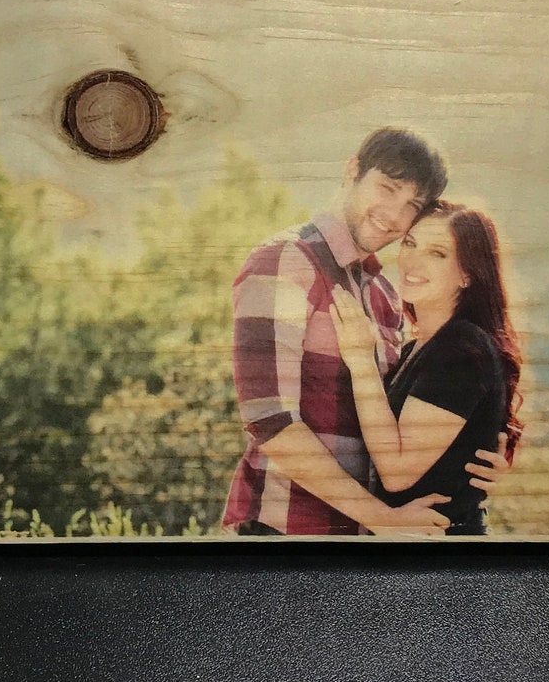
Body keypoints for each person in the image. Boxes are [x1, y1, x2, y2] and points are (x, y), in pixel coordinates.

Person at [222, 128, 507, 536]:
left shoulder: (384, 294)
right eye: (387, 188)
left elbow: (402, 421)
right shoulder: (286, 262)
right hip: (288, 531)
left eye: (412, 205)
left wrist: (473, 455)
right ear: (352, 171)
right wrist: (381, 518)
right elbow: (271, 422)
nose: (393, 214)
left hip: (362, 541)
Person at [329, 202, 522, 536]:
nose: (412, 261)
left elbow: (397, 472)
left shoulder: (462, 348)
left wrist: (361, 362)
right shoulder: (418, 348)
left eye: (437, 253)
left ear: (467, 273)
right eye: (410, 243)